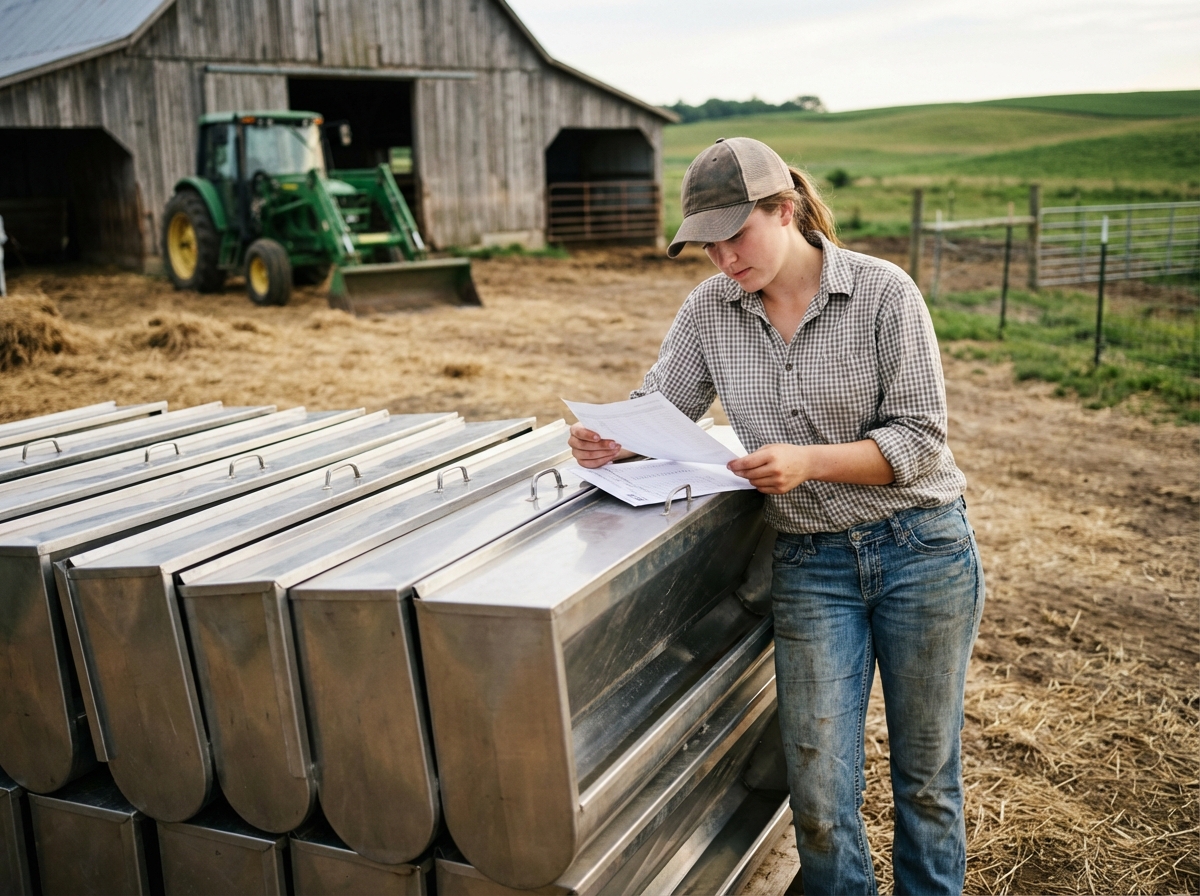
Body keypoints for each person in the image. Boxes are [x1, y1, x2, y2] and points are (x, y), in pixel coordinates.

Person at [568, 137, 985, 895]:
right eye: (707, 246)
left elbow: (921, 441)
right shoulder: (709, 311)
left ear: (784, 210)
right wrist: (610, 440)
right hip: (809, 563)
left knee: (926, 776)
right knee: (820, 789)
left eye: (737, 235)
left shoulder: (886, 294)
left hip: (919, 549)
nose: (724, 260)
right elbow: (662, 406)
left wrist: (808, 461)